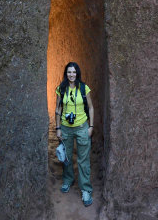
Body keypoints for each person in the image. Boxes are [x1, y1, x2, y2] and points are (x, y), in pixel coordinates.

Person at [55, 62, 94, 207]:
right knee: (66, 156)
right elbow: (58, 109)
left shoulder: (84, 88)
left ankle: (85, 189)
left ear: (77, 73)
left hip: (82, 127)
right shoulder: (61, 89)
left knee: (83, 160)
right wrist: (58, 128)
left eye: (74, 72)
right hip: (65, 127)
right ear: (66, 74)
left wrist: (91, 126)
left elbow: (90, 108)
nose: (71, 75)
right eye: (69, 72)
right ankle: (68, 179)